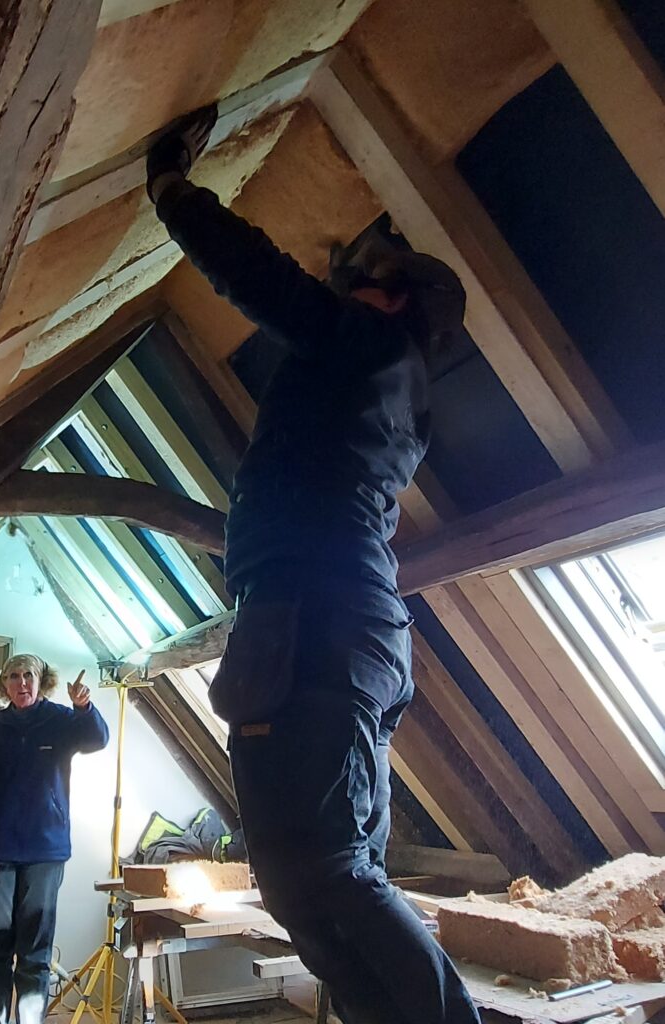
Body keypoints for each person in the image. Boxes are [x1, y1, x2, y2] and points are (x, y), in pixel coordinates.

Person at [145, 108, 479, 1024]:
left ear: (396, 301)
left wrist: (172, 190)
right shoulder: (384, 376)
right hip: (331, 623)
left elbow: (259, 276)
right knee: (317, 880)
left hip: (318, 622)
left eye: (366, 281)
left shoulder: (368, 346)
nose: (350, 288)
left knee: (320, 872)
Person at [0, 655, 109, 1024]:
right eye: (14, 676)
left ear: (41, 680)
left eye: (28, 675)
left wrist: (84, 707)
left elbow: (96, 739)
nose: (22, 683)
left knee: (34, 952)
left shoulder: (61, 719)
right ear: (5, 685)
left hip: (46, 850)